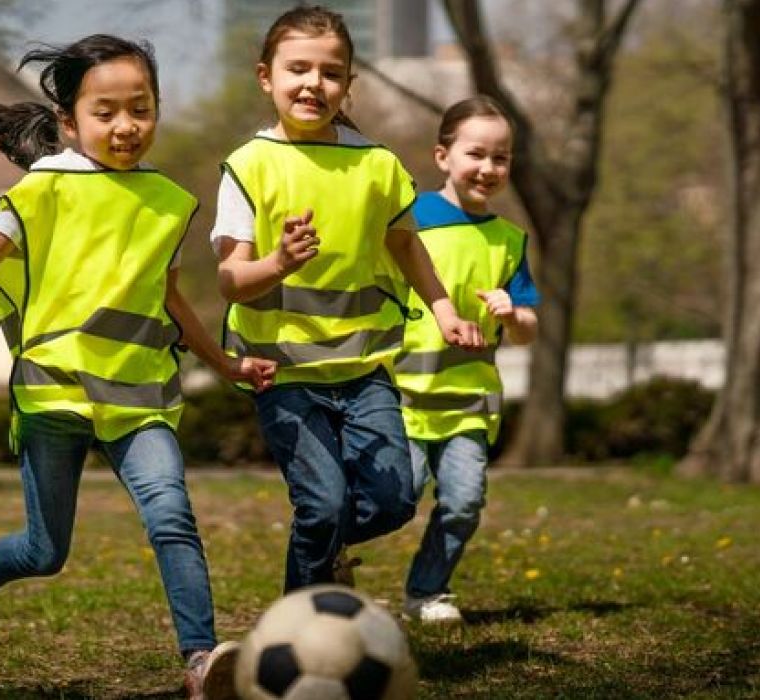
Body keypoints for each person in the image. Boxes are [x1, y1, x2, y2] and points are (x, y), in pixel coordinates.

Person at [0, 34, 272, 699]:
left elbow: (167, 299)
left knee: (172, 515)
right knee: (44, 552)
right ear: (68, 123)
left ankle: (200, 663)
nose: (126, 126)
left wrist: (225, 365)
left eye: (140, 109)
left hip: (140, 396)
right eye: (105, 112)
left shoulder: (167, 202)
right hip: (54, 395)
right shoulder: (44, 187)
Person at [212, 5, 485, 594]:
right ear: (266, 77)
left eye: (331, 72)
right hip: (283, 375)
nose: (314, 83)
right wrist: (278, 263)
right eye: (298, 69)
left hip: (364, 372)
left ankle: (321, 546)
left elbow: (407, 247)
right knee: (324, 505)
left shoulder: (378, 165)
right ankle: (297, 624)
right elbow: (230, 280)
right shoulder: (248, 166)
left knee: (395, 503)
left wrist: (444, 309)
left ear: (348, 84)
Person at [396, 96, 539, 625]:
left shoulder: (509, 240)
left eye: (501, 158)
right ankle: (333, 558)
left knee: (462, 503)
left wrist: (513, 312)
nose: (488, 168)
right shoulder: (408, 222)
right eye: (476, 153)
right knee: (394, 500)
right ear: (442, 156)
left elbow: (526, 334)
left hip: (467, 407)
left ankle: (427, 592)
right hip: (403, 396)